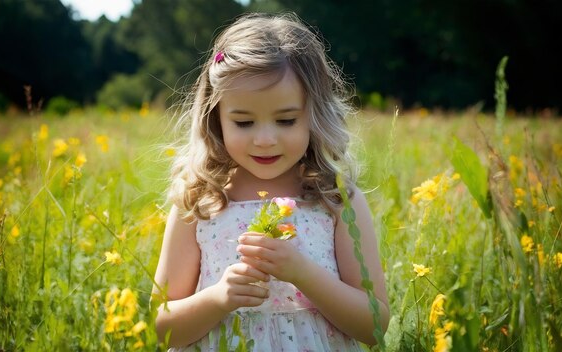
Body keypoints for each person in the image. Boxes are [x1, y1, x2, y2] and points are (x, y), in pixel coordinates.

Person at [153, 12, 389, 351]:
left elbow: (375, 325)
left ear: (315, 114)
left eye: (286, 120)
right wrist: (218, 298)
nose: (265, 139)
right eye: (245, 122)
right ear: (216, 118)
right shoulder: (200, 200)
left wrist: (303, 274)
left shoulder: (335, 199)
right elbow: (161, 327)